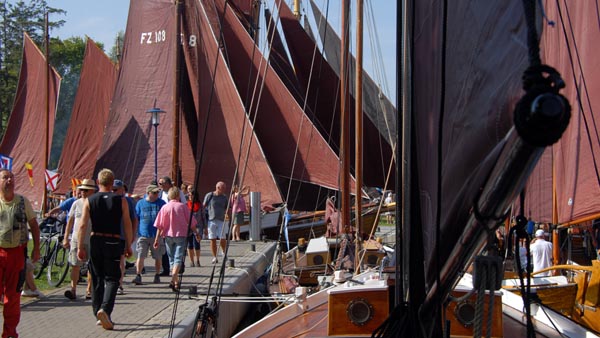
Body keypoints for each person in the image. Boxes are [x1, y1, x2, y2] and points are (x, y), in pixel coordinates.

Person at [77, 168, 133, 330]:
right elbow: (127, 223)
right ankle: (105, 310)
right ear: (112, 182)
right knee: (113, 278)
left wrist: (81, 246)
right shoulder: (120, 200)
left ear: (98, 182)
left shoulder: (90, 200)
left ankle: (97, 314)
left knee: (96, 277)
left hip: (96, 240)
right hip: (113, 241)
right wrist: (128, 244)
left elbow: (82, 225)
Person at [0, 168, 41, 338]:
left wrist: (37, 248)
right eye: (5, 178)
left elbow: (34, 225)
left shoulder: (23, 202)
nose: (9, 181)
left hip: (17, 253)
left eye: (11, 178)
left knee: (13, 295)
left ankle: (9, 332)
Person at [153, 187, 199, 291]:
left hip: (168, 236)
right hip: (181, 236)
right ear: (178, 196)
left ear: (169, 196)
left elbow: (159, 225)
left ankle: (176, 283)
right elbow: (191, 222)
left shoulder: (165, 207)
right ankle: (174, 279)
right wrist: (196, 233)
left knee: (172, 259)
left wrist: (156, 239)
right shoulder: (183, 207)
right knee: (178, 258)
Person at [62, 179, 96, 300]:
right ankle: (73, 290)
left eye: (85, 190)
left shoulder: (95, 203)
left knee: (91, 266)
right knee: (75, 265)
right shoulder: (76, 203)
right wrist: (66, 238)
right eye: (81, 189)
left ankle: (89, 290)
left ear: (92, 191)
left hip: (91, 239)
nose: (82, 192)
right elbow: (70, 222)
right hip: (76, 238)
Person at [132, 184, 166, 285]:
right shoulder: (140, 203)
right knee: (141, 255)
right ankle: (138, 275)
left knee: (158, 256)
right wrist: (135, 232)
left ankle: (157, 275)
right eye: (154, 192)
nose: (157, 194)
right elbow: (136, 218)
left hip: (157, 235)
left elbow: (165, 218)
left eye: (157, 192)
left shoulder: (161, 203)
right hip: (143, 234)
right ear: (148, 193)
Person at [112, 179, 138, 295]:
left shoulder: (127, 201)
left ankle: (119, 284)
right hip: (108, 235)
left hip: (121, 236)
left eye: (115, 190)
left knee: (120, 261)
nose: (113, 192)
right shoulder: (107, 199)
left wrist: (131, 235)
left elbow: (134, 219)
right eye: (111, 189)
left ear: (122, 189)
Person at [157, 176, 186, 276]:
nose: (160, 185)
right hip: (166, 225)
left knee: (177, 251)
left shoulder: (178, 192)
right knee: (167, 251)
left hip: (177, 225)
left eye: (162, 183)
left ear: (169, 184)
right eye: (160, 183)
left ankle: (178, 268)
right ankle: (167, 269)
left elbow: (184, 205)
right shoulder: (160, 194)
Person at [204, 181, 228, 264]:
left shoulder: (224, 197)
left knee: (223, 238)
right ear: (218, 188)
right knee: (212, 239)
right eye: (223, 188)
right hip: (211, 220)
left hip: (221, 220)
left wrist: (228, 215)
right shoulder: (209, 196)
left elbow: (227, 207)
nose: (224, 190)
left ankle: (224, 252)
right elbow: (204, 206)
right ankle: (214, 257)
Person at [186, 185, 202, 267]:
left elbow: (203, 217)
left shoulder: (199, 205)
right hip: (188, 227)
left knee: (197, 244)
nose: (190, 197)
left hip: (198, 227)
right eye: (189, 195)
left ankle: (197, 260)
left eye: (191, 195)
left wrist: (205, 227)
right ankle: (191, 261)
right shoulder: (186, 205)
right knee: (190, 245)